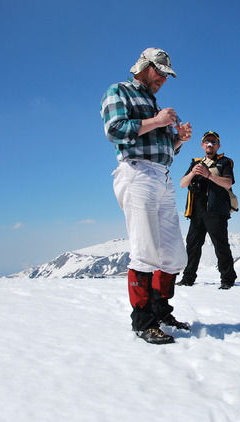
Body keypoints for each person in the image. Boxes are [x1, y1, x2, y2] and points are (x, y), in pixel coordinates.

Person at [100, 47, 193, 345]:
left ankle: (160, 311)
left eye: (167, 75)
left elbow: (163, 149)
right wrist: (158, 121)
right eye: (161, 72)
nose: (164, 79)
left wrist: (178, 139)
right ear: (144, 65)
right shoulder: (120, 91)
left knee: (174, 255)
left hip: (160, 176)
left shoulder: (152, 102)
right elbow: (115, 130)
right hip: (137, 173)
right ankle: (143, 322)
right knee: (145, 251)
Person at [178, 131, 238, 289]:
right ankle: (188, 278)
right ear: (202, 145)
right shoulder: (195, 163)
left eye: (213, 142)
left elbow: (228, 183)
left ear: (218, 146)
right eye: (207, 141)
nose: (209, 144)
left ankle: (227, 279)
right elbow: (183, 184)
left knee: (220, 245)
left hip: (216, 211)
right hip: (197, 211)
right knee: (192, 245)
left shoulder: (224, 162)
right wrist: (192, 173)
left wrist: (209, 175)